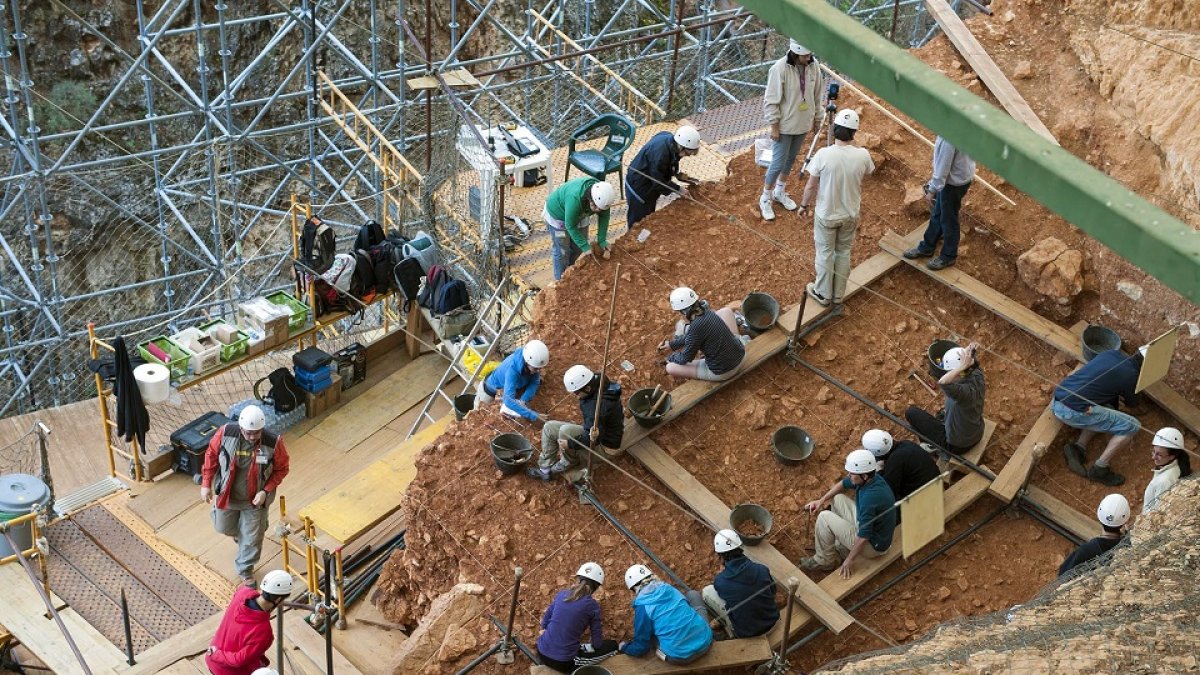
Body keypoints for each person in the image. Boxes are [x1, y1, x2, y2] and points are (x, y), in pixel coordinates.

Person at [201, 405, 291, 587]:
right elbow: (211, 455)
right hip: (228, 495)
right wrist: (206, 484)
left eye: (256, 433)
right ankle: (247, 532)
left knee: (251, 539)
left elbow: (282, 469)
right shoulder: (226, 433)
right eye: (248, 433)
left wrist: (265, 491)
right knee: (223, 528)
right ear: (241, 427)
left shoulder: (273, 442)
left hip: (255, 501)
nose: (251, 437)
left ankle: (245, 569)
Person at [797, 109, 875, 306]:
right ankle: (838, 294)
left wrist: (804, 205)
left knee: (825, 253)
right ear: (854, 133)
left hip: (827, 215)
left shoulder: (823, 154)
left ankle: (823, 293)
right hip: (850, 214)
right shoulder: (862, 155)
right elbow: (870, 173)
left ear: (835, 129)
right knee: (843, 251)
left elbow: (811, 185)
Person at [1053, 346, 1145, 486]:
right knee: (1132, 425)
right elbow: (1132, 403)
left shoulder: (1111, 353)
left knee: (1106, 408)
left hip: (1059, 399)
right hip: (1072, 412)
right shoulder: (1131, 375)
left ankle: (1078, 448)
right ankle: (1100, 468)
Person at [800, 449, 896, 579]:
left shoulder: (869, 498)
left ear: (864, 476)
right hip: (876, 531)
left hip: (873, 546)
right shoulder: (872, 478)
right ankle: (842, 546)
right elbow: (843, 484)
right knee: (837, 498)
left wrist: (849, 560)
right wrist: (821, 500)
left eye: (852, 473)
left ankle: (825, 561)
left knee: (824, 517)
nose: (849, 475)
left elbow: (864, 536)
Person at [760, 39, 825, 222]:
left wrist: (817, 118)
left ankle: (779, 191)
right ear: (795, 52)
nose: (809, 57)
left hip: (803, 123)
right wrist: (774, 126)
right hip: (784, 126)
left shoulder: (814, 66)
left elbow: (817, 94)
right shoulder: (779, 69)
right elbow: (771, 100)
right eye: (805, 55)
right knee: (778, 162)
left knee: (790, 159)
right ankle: (765, 197)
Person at [527, 365, 624, 480]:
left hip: (604, 447)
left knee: (565, 431)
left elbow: (593, 438)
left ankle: (568, 461)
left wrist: (570, 444)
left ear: (587, 389)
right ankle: (545, 469)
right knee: (549, 427)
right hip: (599, 430)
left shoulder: (596, 408)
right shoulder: (598, 381)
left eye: (577, 392)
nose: (576, 396)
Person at [903, 136, 976, 270]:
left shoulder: (949, 138)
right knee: (939, 213)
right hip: (960, 177)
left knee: (948, 219)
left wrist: (932, 190)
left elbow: (943, 167)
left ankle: (948, 256)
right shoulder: (962, 127)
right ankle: (927, 247)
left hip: (952, 183)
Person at [618, 564, 713, 666]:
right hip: (706, 641)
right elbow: (686, 606)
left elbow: (641, 648)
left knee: (650, 637)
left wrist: (624, 647)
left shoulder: (643, 607)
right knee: (693, 595)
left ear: (633, 588)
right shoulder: (668, 587)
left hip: (680, 657)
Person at [535, 562, 619, 673]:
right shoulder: (592, 606)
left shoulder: (562, 594)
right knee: (613, 646)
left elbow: (544, 622)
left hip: (541, 651)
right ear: (596, 587)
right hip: (564, 662)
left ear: (578, 579)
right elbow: (597, 644)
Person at [205, 570, 292, 675]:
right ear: (278, 599)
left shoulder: (243, 592)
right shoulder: (263, 631)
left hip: (212, 657)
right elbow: (239, 660)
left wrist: (213, 653)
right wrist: (216, 655)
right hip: (227, 670)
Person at [905, 343, 986, 455]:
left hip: (957, 445)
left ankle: (930, 446)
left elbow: (943, 382)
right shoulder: (977, 375)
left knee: (912, 413)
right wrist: (967, 352)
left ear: (959, 371)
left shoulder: (961, 392)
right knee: (940, 415)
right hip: (977, 432)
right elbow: (973, 365)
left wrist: (960, 366)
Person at [658, 287, 749, 382]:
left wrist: (670, 358)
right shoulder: (706, 311)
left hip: (724, 371)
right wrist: (671, 345)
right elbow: (691, 336)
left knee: (670, 367)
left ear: (683, 311)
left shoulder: (695, 327)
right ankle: (741, 340)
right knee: (725, 311)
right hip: (741, 356)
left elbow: (685, 357)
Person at [701, 529, 778, 640]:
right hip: (773, 623)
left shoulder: (721, 582)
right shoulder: (761, 569)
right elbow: (773, 591)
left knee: (707, 591)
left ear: (720, 556)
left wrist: (724, 572)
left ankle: (730, 629)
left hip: (748, 634)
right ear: (740, 548)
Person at [626, 125, 701, 227]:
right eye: (687, 154)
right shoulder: (660, 155)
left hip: (647, 185)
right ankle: (635, 241)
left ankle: (644, 239)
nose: (686, 156)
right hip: (639, 188)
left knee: (648, 218)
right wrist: (678, 189)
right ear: (681, 147)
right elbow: (658, 182)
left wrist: (679, 175)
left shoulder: (669, 139)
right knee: (638, 224)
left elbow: (670, 163)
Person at [544, 177, 616, 280]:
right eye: (595, 207)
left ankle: (571, 272)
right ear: (590, 198)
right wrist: (585, 247)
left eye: (600, 209)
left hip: (580, 214)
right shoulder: (575, 198)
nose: (597, 211)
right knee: (562, 251)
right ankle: (560, 281)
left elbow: (604, 217)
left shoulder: (603, 198)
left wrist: (602, 240)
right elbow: (570, 226)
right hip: (558, 215)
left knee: (577, 249)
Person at [862, 429, 941, 508]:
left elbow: (888, 491)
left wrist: (879, 471)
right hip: (936, 482)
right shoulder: (906, 443)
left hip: (928, 498)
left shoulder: (895, 461)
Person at [476, 339, 550, 422]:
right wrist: (533, 415)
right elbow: (508, 400)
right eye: (536, 368)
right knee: (480, 415)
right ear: (527, 362)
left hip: (506, 387)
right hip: (489, 390)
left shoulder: (531, 362)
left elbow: (535, 382)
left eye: (540, 368)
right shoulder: (512, 371)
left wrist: (523, 400)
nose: (539, 371)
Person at [1058, 494, 1128, 577]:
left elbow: (1062, 575)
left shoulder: (1085, 550)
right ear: (1124, 522)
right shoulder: (1127, 544)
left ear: (1099, 518)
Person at [1142, 427, 1191, 513]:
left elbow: (1156, 512)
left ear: (1172, 456)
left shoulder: (1164, 482)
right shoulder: (1178, 464)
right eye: (1153, 451)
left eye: (1159, 455)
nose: (1153, 457)